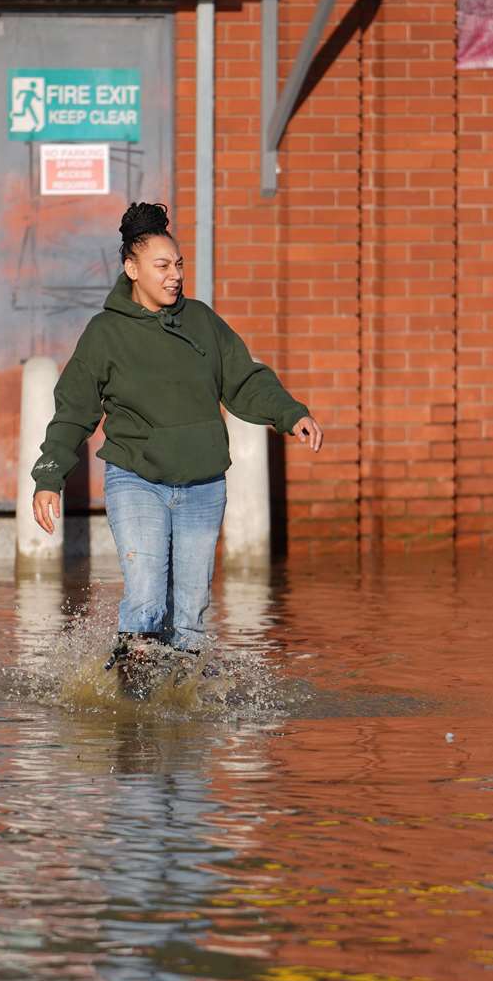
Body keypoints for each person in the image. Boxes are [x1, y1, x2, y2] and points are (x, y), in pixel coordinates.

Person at [31, 202, 322, 697]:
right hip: (136, 478)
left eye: (179, 264)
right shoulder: (106, 334)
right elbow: (73, 410)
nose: (174, 276)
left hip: (203, 485)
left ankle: (183, 736)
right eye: (162, 266)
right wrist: (49, 476)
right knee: (145, 599)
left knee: (190, 614)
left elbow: (245, 379)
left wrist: (290, 413)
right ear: (132, 269)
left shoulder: (202, 323)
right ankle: (135, 726)